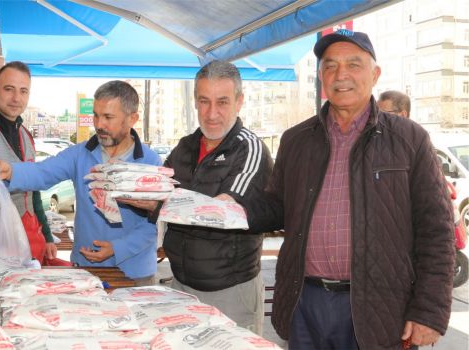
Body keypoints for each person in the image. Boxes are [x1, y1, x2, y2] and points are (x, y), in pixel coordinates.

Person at [241, 29, 455, 349]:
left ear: (375, 73)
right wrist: (230, 208)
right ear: (320, 77)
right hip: (305, 303)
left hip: (378, 308)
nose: (341, 75)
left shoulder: (410, 140)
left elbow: (437, 232)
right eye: (330, 66)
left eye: (354, 64)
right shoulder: (296, 140)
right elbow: (276, 206)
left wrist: (429, 311)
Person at [122, 60, 276, 334]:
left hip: (230, 291)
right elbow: (159, 189)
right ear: (194, 101)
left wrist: (158, 206)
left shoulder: (250, 149)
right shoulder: (184, 146)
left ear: (239, 102)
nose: (212, 113)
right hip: (181, 285)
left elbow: (220, 212)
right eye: (204, 101)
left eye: (223, 102)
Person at [0, 80, 161, 284]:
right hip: (87, 269)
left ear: (132, 119)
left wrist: (117, 248)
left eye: (108, 117)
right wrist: (11, 171)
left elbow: (153, 225)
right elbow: (43, 172)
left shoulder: (150, 162)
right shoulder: (80, 155)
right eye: (95, 115)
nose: (99, 124)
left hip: (134, 273)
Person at [0, 61, 61, 264]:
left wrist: (48, 236)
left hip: (30, 235)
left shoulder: (25, 134)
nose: (16, 98)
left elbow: (34, 192)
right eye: (9, 89)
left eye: (23, 91)